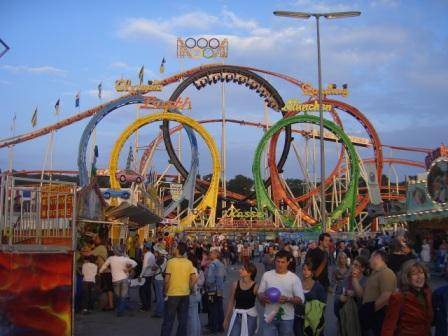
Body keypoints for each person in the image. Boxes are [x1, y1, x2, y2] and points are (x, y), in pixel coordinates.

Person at [258, 250, 305, 336]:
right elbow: (260, 292)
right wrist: (262, 297)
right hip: (269, 317)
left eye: (283, 262)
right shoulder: (267, 275)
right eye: (278, 261)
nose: (280, 264)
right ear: (274, 261)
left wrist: (288, 299)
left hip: (286, 319)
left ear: (288, 263)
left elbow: (301, 300)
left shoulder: (294, 278)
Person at [381, 260, 433, 336]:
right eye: (414, 274)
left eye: (421, 273)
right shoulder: (398, 297)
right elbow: (389, 326)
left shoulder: (428, 293)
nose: (419, 277)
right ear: (407, 278)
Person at [161, 242, 197, 336]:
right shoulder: (189, 263)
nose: (173, 248)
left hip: (172, 294)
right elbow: (194, 278)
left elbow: (166, 280)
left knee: (169, 320)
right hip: (185, 294)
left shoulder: (171, 262)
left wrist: (165, 291)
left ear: (178, 250)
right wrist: (189, 288)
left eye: (174, 247)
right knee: (182, 320)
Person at [360, 250, 396, 336]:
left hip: (378, 317)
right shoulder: (375, 273)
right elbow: (363, 292)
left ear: (377, 258)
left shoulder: (387, 273)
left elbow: (386, 295)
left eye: (371, 257)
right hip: (371, 315)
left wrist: (369, 311)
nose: (369, 260)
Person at [99, 246, 137, 317]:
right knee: (122, 296)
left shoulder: (111, 258)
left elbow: (104, 266)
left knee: (118, 296)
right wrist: (128, 269)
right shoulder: (125, 259)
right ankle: (121, 309)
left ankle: (120, 311)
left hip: (115, 280)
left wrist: (100, 271)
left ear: (114, 252)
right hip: (124, 279)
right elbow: (135, 263)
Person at [224, 263, 259, 336]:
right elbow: (231, 302)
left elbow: (262, 300)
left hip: (250, 317)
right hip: (237, 316)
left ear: (250, 273)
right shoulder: (235, 284)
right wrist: (226, 318)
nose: (240, 271)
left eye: (243, 269)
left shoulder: (255, 286)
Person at [338, 256, 369, 336]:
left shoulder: (366, 281)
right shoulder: (346, 279)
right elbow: (337, 295)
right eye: (353, 264)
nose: (353, 267)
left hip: (360, 315)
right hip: (345, 313)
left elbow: (362, 296)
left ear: (362, 269)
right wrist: (341, 297)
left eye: (356, 265)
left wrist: (354, 294)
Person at [295, 261, 327, 336]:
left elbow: (323, 304)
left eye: (309, 270)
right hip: (299, 319)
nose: (306, 272)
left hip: (312, 320)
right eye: (304, 269)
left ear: (312, 272)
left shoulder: (318, 287)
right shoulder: (297, 284)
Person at [206, 249, 226, 334]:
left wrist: (207, 285)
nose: (210, 254)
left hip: (212, 290)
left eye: (212, 253)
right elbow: (225, 277)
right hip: (220, 289)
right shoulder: (221, 264)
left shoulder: (213, 264)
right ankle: (221, 326)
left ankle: (213, 328)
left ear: (216, 255)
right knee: (219, 308)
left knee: (213, 309)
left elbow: (210, 279)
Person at [187, 253, 202, 336]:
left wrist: (189, 289)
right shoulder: (195, 268)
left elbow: (193, 282)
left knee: (192, 318)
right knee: (195, 317)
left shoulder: (191, 269)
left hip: (192, 294)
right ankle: (197, 333)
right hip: (197, 294)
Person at [139, 242, 156, 312]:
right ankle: (148, 305)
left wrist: (140, 275)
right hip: (150, 275)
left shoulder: (146, 255)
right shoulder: (152, 255)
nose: (143, 248)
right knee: (148, 291)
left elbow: (144, 266)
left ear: (146, 248)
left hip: (145, 275)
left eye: (144, 247)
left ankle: (145, 306)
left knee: (142, 291)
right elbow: (153, 265)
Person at [152, 245, 168, 318]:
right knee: (160, 296)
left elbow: (154, 268)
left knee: (159, 297)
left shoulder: (160, 259)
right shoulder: (164, 259)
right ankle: (160, 311)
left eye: (156, 252)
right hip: (161, 278)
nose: (155, 253)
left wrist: (152, 265)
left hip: (158, 278)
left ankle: (159, 312)